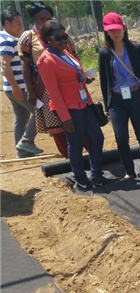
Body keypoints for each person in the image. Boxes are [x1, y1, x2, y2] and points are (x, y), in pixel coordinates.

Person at [37, 19, 104, 191]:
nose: (63, 41)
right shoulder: (46, 60)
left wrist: (83, 78)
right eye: (58, 38)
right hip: (69, 108)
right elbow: (53, 91)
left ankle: (96, 176)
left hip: (84, 103)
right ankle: (80, 180)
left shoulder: (65, 52)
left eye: (65, 36)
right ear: (47, 40)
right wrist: (65, 117)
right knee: (75, 144)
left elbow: (73, 74)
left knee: (97, 138)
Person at [19, 1, 88, 158]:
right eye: (41, 20)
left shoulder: (62, 35)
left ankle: (90, 157)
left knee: (79, 120)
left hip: (70, 83)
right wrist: (30, 90)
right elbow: (25, 65)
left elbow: (74, 57)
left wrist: (82, 76)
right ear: (34, 20)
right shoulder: (28, 37)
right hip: (45, 87)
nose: (45, 22)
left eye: (48, 18)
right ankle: (70, 158)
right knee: (57, 125)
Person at [98, 12, 140, 179]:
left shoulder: (135, 49)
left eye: (118, 29)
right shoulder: (104, 53)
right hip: (116, 100)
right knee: (121, 136)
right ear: (106, 32)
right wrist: (107, 105)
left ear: (124, 29)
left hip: (136, 96)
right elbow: (104, 81)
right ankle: (129, 171)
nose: (116, 33)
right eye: (111, 30)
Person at [1, 10, 43, 158]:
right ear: (7, 23)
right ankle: (26, 141)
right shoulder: (7, 40)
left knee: (21, 118)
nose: (21, 26)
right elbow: (5, 64)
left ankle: (22, 151)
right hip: (18, 87)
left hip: (12, 87)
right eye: (18, 23)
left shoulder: (8, 38)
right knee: (41, 110)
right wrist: (16, 87)